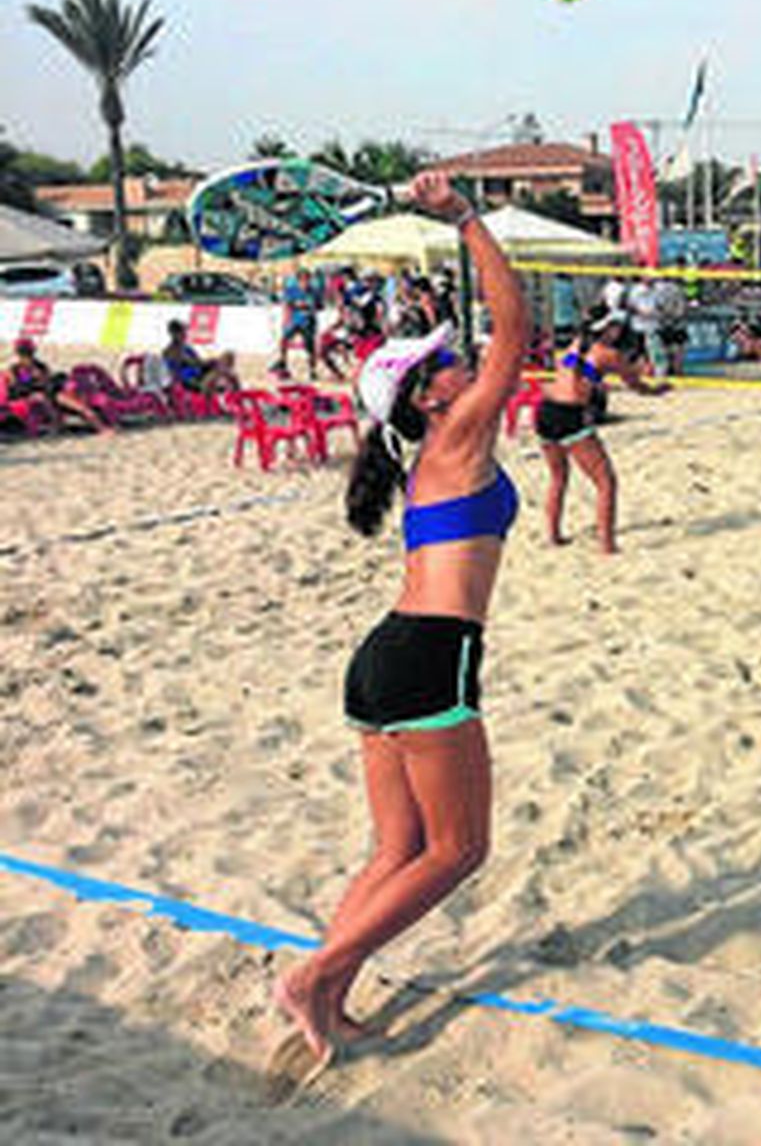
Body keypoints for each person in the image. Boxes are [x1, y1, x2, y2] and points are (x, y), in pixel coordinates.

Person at [271, 172, 533, 1067]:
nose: (462, 363)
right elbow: (515, 329)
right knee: (459, 850)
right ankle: (314, 976)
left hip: (383, 657)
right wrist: (464, 218)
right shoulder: (458, 435)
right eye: (444, 361)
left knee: (397, 851)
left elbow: (496, 340)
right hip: (428, 656)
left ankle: (327, 994)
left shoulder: (431, 458)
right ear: (427, 398)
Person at [534, 310, 670, 554]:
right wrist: (658, 389)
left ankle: (554, 536)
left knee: (558, 477)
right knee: (606, 482)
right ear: (608, 329)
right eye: (616, 326)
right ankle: (607, 545)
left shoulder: (577, 343)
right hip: (570, 415)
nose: (620, 330)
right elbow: (636, 385)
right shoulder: (610, 355)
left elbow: (573, 373)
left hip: (545, 409)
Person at [3, 338, 113, 435]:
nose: (26, 356)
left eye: (27, 353)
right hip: (32, 395)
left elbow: (47, 381)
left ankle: (101, 427)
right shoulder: (14, 369)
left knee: (78, 406)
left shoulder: (39, 366)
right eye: (24, 353)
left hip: (50, 392)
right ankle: (57, 425)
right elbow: (16, 386)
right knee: (43, 399)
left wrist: (38, 378)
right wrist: (29, 379)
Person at [161, 321, 240, 396]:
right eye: (182, 331)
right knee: (215, 371)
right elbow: (191, 363)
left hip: (197, 373)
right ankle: (214, 394)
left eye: (185, 331)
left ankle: (233, 392)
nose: (185, 334)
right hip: (186, 379)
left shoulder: (187, 348)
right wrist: (208, 362)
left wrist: (211, 361)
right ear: (174, 334)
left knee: (227, 358)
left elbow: (198, 361)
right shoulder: (170, 351)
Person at [274, 271, 322, 380]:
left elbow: (319, 306)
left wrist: (309, 307)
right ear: (298, 280)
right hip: (294, 320)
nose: (305, 282)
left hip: (308, 321)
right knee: (284, 340)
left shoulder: (313, 291)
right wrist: (286, 319)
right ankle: (283, 363)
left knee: (310, 347)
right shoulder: (292, 291)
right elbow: (286, 305)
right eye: (302, 280)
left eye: (307, 279)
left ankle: (312, 370)